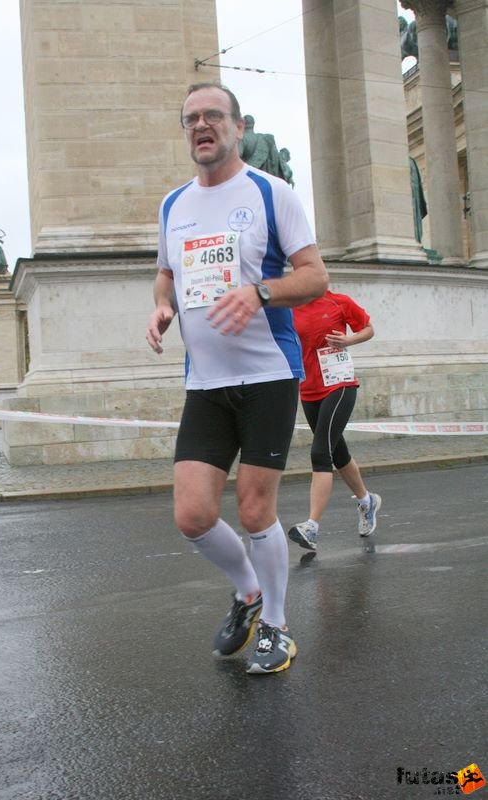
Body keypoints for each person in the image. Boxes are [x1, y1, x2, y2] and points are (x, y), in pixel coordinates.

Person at [146, 81, 329, 674]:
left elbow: (315, 276)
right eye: (191, 118)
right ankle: (248, 593)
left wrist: (259, 292)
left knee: (255, 511)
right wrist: (163, 307)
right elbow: (166, 275)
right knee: (193, 516)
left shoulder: (272, 193)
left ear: (238, 126)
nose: (202, 126)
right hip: (205, 382)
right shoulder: (173, 204)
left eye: (213, 116)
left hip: (267, 375)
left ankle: (276, 624)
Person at [287, 290, 381, 555]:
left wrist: (349, 339)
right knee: (338, 453)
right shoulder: (290, 306)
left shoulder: (338, 301)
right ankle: (367, 501)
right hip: (308, 389)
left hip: (339, 384)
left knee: (320, 452)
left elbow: (368, 329)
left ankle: (311, 527)